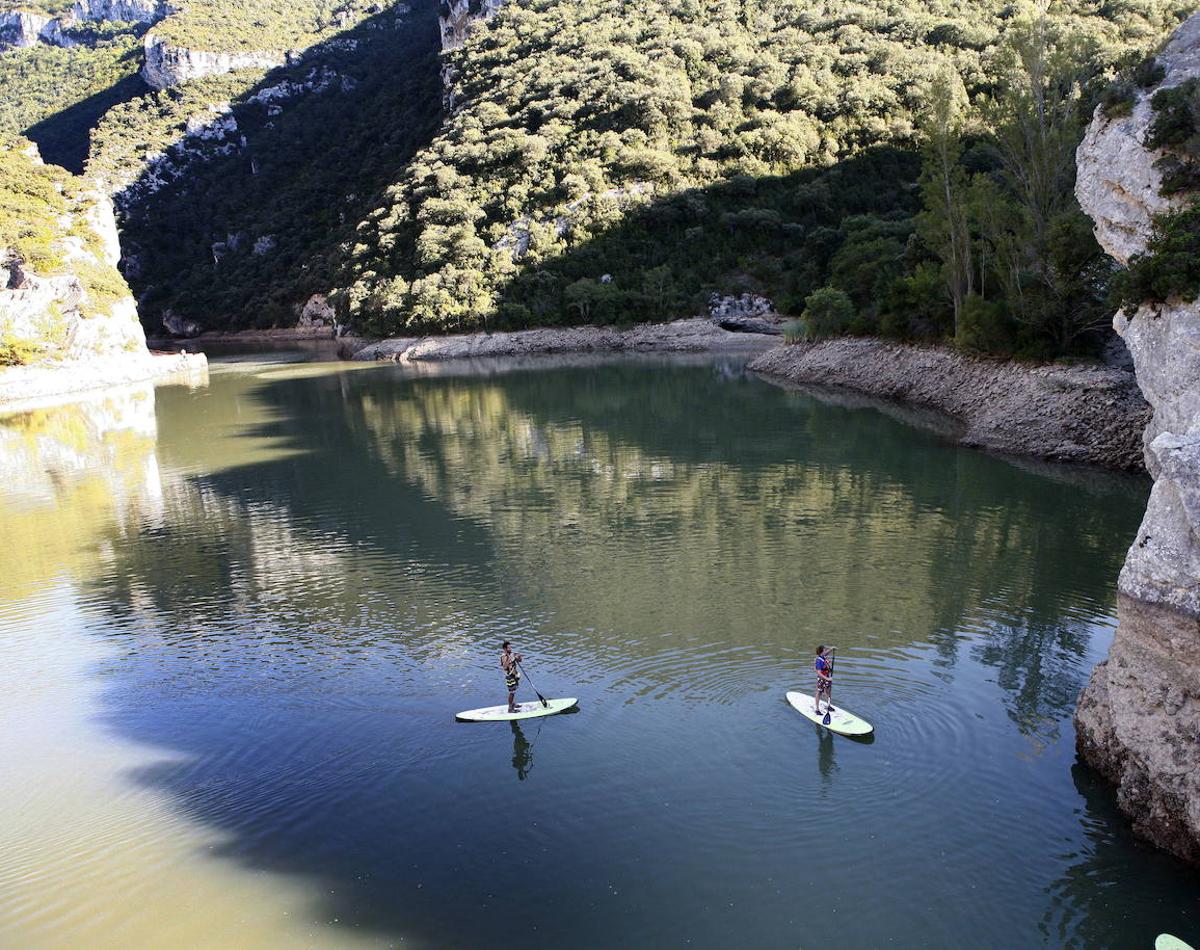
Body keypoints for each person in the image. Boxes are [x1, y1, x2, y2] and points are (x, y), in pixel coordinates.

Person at [501, 640, 523, 713]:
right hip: (509, 676)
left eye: (510, 647)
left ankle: (513, 704)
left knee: (514, 691)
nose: (510, 649)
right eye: (509, 648)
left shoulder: (512, 654)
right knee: (512, 692)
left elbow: (519, 661)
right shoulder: (504, 656)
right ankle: (510, 708)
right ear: (505, 649)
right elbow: (504, 667)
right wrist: (511, 659)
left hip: (514, 675)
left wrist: (518, 657)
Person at [813, 644, 834, 714]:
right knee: (819, 692)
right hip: (822, 678)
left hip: (827, 677)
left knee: (827, 691)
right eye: (825, 650)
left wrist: (832, 648)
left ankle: (828, 705)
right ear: (822, 652)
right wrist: (827, 679)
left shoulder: (823, 656)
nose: (826, 651)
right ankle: (817, 709)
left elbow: (827, 653)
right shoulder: (819, 661)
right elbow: (819, 673)